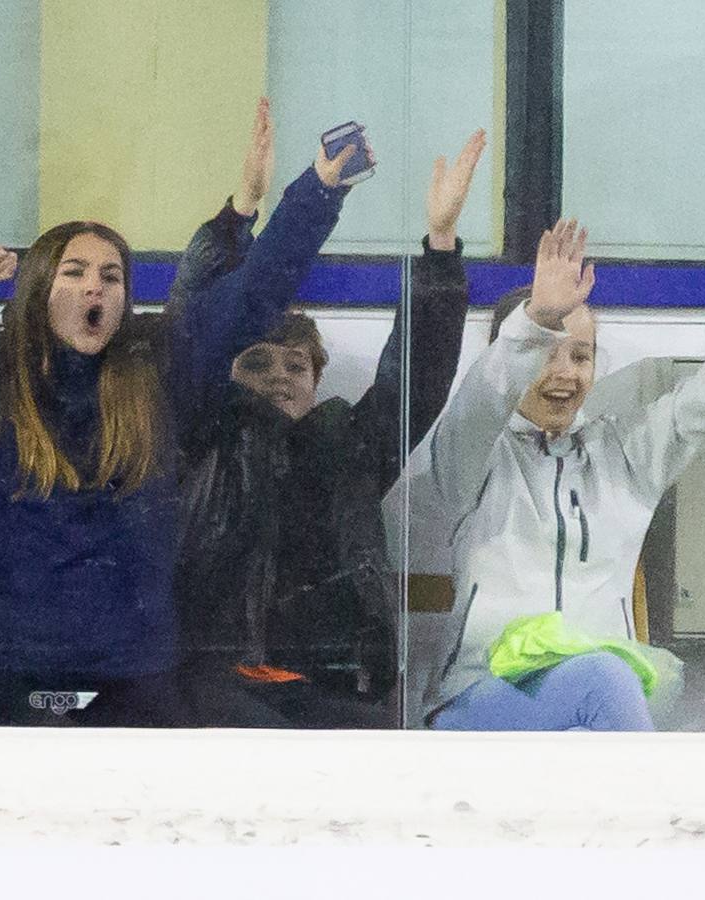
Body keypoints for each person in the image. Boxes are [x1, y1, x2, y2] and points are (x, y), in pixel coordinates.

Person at [0, 123, 360, 727]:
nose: (96, 286)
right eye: (74, 272)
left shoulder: (161, 368)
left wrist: (318, 189)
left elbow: (253, 293)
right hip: (14, 672)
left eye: (111, 277)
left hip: (135, 671)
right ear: (37, 289)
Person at [422, 218, 705, 730]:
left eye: (581, 355)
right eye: (545, 353)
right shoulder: (471, 457)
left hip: (596, 703)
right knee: (606, 681)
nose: (565, 373)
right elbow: (480, 402)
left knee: (676, 715)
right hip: (479, 696)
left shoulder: (623, 459)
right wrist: (536, 319)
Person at [172, 115, 486, 729]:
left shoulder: (350, 445)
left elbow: (415, 378)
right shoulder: (201, 434)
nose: (281, 375)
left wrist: (441, 247)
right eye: (257, 361)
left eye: (296, 364)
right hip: (223, 678)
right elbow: (195, 321)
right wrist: (242, 213)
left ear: (316, 381)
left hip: (343, 680)